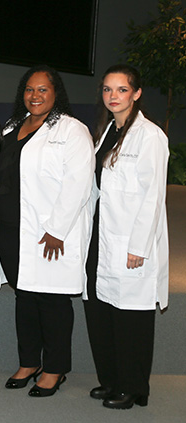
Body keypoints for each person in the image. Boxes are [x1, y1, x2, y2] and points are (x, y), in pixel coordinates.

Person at [0, 65, 94, 397]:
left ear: (56, 93)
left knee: (51, 301)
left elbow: (78, 183)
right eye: (29, 89)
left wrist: (57, 229)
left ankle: (54, 368)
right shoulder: (12, 127)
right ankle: (28, 362)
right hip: (11, 228)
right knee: (24, 297)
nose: (34, 96)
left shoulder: (71, 130)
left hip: (48, 232)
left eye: (42, 90)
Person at [83, 64, 169, 410]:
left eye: (121, 90)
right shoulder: (108, 132)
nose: (113, 96)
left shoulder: (150, 136)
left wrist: (138, 247)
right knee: (102, 311)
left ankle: (134, 387)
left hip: (131, 238)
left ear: (136, 93)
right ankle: (112, 381)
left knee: (131, 316)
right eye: (107, 90)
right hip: (102, 232)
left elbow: (153, 197)